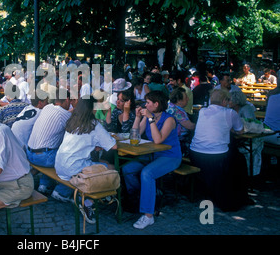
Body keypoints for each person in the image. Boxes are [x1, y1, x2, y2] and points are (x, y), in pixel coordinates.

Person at [122, 90, 182, 229]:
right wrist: (137, 118)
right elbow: (135, 135)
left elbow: (158, 139)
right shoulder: (150, 116)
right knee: (127, 169)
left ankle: (148, 215)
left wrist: (150, 119)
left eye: (148, 102)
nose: (145, 105)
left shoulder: (169, 119)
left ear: (156, 104)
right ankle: (141, 196)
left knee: (147, 173)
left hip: (170, 156)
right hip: (153, 154)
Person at [55, 96, 117, 224]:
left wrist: (94, 145)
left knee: (103, 164)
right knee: (111, 168)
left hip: (60, 166)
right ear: (92, 109)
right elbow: (113, 146)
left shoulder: (72, 121)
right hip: (75, 168)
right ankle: (89, 202)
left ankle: (95, 196)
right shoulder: (94, 124)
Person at [189, 89, 252, 212]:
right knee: (240, 159)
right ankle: (239, 195)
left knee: (234, 155)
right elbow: (240, 130)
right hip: (217, 157)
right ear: (224, 101)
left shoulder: (202, 111)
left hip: (195, 153)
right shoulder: (230, 113)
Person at [26, 89, 72, 202]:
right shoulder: (64, 114)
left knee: (53, 147)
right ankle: (62, 191)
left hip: (29, 154)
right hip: (43, 157)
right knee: (73, 158)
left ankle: (44, 184)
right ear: (67, 100)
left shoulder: (47, 107)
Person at [228, 90, 263, 176]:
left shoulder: (246, 109)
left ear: (236, 101)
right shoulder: (231, 109)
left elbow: (250, 125)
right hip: (240, 138)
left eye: (229, 100)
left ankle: (251, 175)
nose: (228, 102)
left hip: (251, 138)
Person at [167, 87, 196, 157]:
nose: (188, 99)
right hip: (179, 141)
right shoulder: (177, 111)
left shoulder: (169, 105)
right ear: (179, 101)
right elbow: (190, 126)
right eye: (186, 98)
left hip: (169, 139)